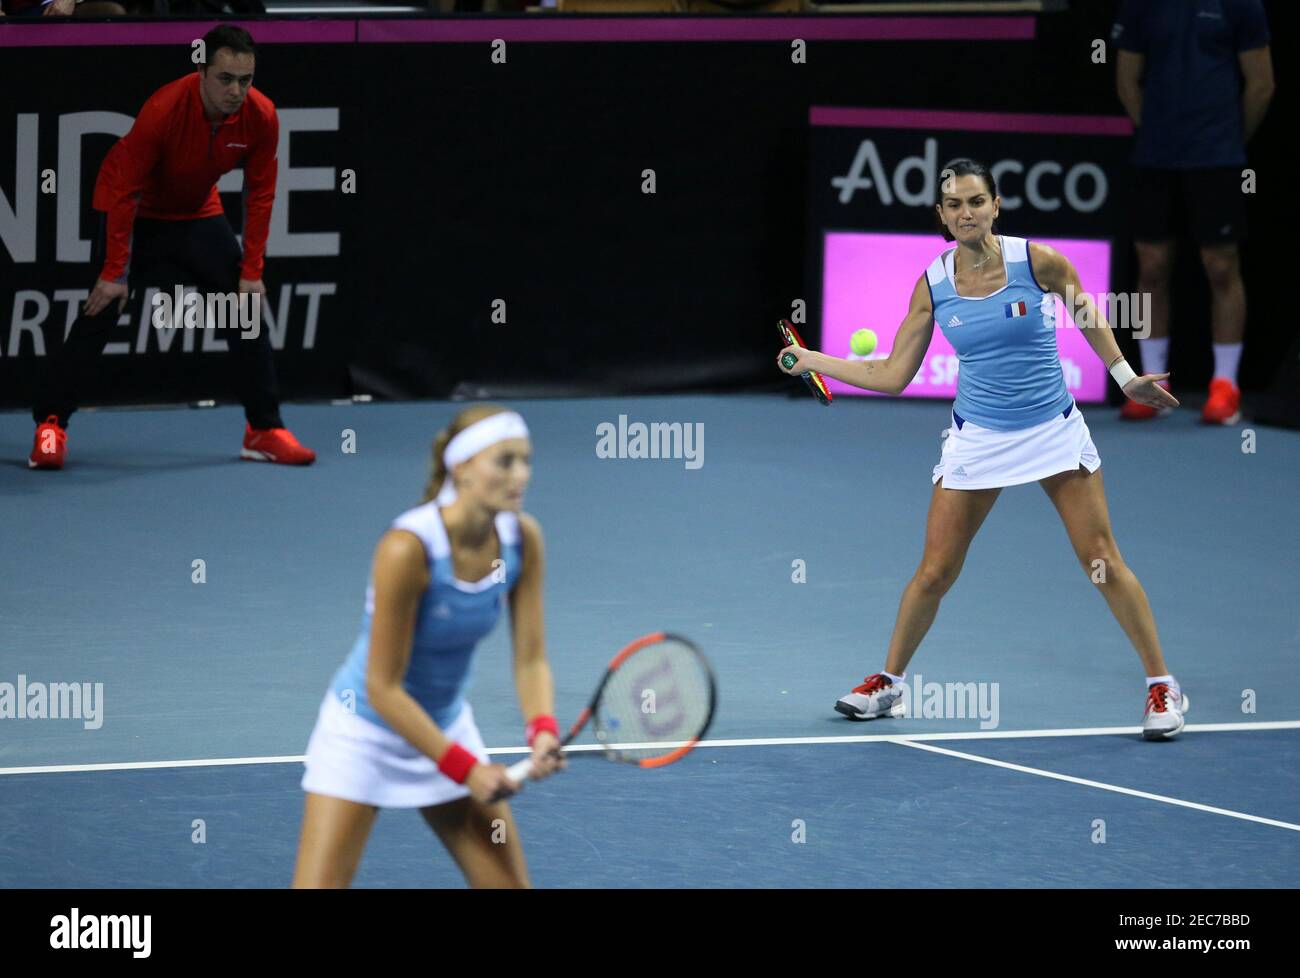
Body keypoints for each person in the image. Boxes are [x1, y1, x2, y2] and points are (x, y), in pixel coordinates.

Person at [779, 159, 1189, 740]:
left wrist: (1125, 378)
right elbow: (895, 374)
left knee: (1100, 559)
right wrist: (815, 361)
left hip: (1052, 429)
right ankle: (888, 681)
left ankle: (1162, 684)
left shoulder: (1037, 260)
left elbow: (1086, 313)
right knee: (935, 571)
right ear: (941, 217)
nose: (966, 213)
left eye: (976, 201)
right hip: (980, 438)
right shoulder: (933, 284)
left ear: (995, 205)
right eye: (954, 205)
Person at [292, 406, 563, 888]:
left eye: (526, 460)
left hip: (445, 726)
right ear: (461, 468)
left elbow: (531, 656)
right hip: (364, 737)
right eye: (504, 461)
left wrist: (542, 726)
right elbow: (383, 687)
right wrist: (466, 768)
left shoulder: (523, 539)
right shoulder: (407, 548)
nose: (521, 474)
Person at [29, 25, 315, 469]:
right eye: (225, 79)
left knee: (245, 308)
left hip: (197, 212)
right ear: (201, 71)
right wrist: (115, 272)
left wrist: (252, 271)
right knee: (101, 309)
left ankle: (264, 430)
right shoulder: (163, 110)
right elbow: (124, 192)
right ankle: (50, 427)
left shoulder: (262, 116)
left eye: (245, 80)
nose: (236, 91)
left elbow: (260, 192)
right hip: (135, 209)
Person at [1112, 0, 1274, 424]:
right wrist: (1159, 135)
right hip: (1155, 157)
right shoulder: (1139, 6)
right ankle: (1151, 383)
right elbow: (1127, 80)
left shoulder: (1243, 4)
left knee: (1221, 265)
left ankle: (1224, 385)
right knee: (1151, 266)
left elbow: (1261, 83)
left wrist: (1229, 143)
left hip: (1218, 158)